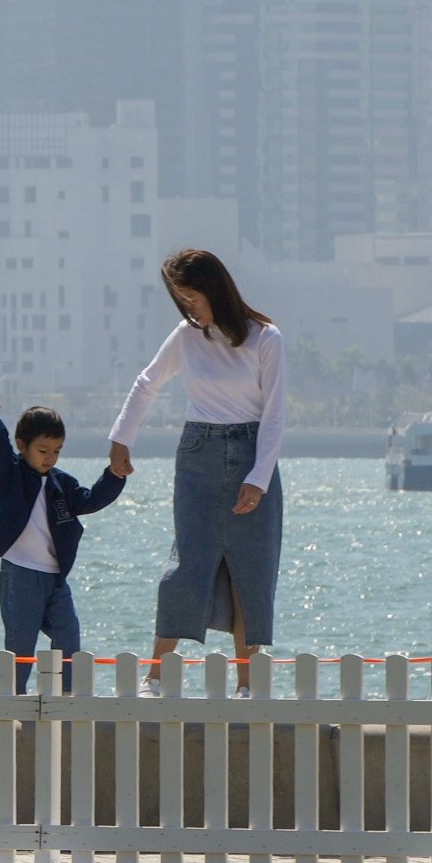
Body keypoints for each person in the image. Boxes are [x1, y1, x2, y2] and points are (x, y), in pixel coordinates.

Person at [104, 247, 286, 689]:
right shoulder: (187, 336)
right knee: (187, 565)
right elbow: (147, 382)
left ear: (214, 289)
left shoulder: (265, 338)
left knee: (251, 570)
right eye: (180, 299)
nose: (188, 307)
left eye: (192, 297)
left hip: (251, 455)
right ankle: (155, 678)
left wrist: (258, 479)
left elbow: (275, 414)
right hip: (198, 455)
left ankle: (248, 684)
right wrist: (120, 439)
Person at [0, 401, 125, 690]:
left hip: (55, 577)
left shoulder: (62, 483)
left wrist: (114, 476)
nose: (50, 458)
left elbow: (91, 500)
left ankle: (68, 697)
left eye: (57, 451)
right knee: (21, 645)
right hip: (19, 574)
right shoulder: (10, 473)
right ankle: (12, 703)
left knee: (68, 635)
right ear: (22, 445)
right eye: (43, 451)